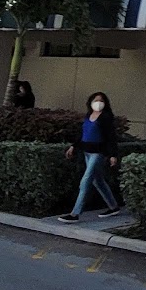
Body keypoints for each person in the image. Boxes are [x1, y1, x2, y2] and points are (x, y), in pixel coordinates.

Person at [59, 90, 120, 222]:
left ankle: (75, 213)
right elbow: (83, 134)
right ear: (91, 102)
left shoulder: (106, 117)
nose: (99, 103)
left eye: (102, 101)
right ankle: (113, 206)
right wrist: (74, 146)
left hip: (98, 153)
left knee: (86, 181)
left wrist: (113, 155)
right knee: (98, 181)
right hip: (87, 152)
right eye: (96, 100)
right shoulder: (88, 115)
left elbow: (111, 137)